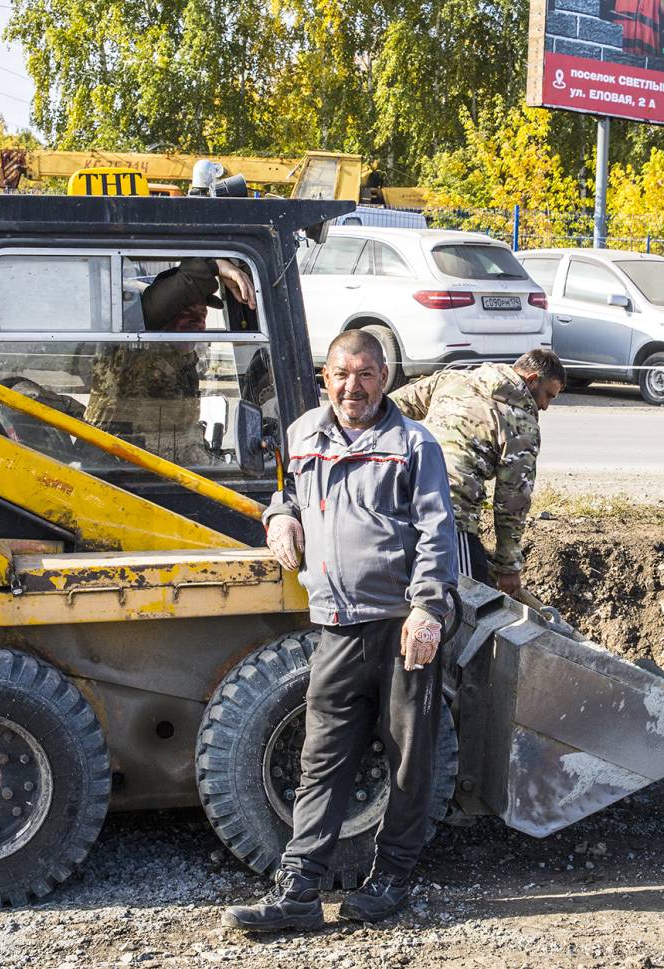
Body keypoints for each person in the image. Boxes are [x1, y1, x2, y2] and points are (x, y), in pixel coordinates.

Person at [224, 329, 458, 931]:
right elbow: (285, 494)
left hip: (402, 628)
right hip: (336, 626)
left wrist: (429, 610)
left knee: (408, 761)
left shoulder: (413, 444)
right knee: (321, 759)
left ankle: (390, 881)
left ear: (384, 379)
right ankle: (299, 890)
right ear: (325, 377)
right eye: (341, 374)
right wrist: (277, 518)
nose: (352, 387)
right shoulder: (302, 434)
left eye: (366, 375)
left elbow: (437, 533)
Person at [390, 349, 565, 597]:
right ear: (532, 379)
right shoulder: (521, 424)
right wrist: (508, 567)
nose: (546, 406)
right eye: (548, 395)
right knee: (464, 601)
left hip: (396, 499)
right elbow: (512, 502)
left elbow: (388, 410)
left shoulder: (453, 379)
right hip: (448, 514)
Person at [84, 256, 255, 465]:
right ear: (163, 315)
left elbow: (180, 443)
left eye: (202, 317)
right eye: (188, 316)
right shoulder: (130, 350)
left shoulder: (185, 365)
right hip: (117, 472)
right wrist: (214, 266)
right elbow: (155, 305)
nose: (199, 324)